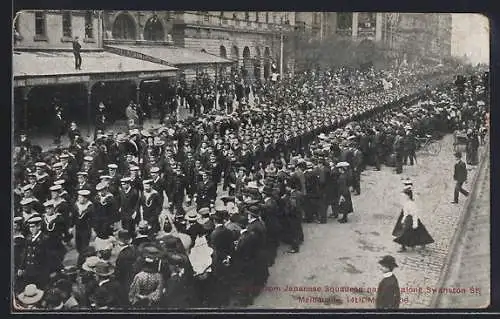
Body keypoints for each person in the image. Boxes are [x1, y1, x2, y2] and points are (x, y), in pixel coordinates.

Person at [392, 180, 434, 252]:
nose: (402, 197)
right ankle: (418, 243)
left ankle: (404, 247)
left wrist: (414, 223)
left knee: (406, 232)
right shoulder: (406, 202)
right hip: (407, 218)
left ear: (407, 196)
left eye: (404, 196)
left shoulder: (411, 204)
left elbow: (415, 214)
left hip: (410, 219)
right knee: (417, 231)